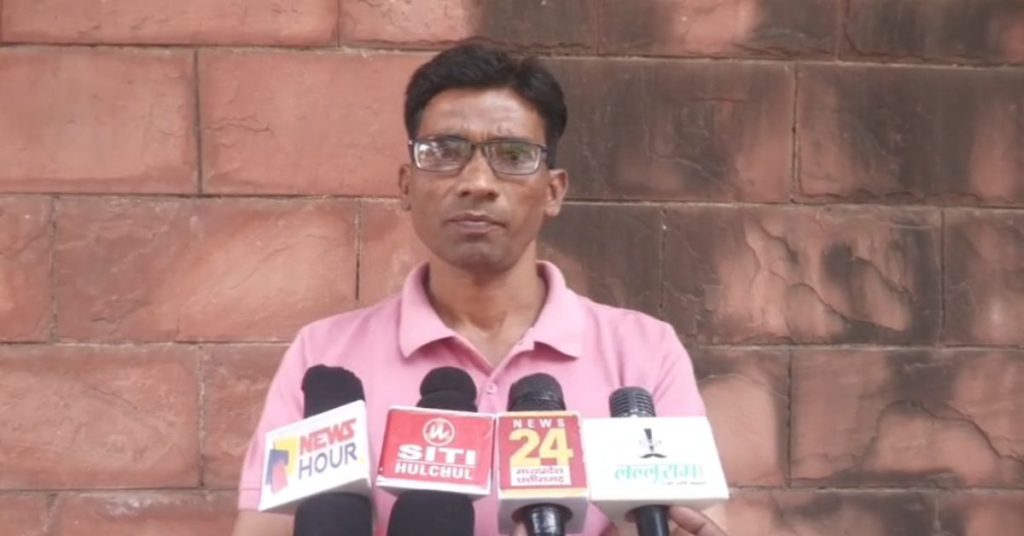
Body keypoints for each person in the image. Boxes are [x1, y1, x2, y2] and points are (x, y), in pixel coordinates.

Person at [231, 42, 728, 536]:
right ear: (406, 185)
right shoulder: (324, 358)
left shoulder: (643, 352)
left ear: (553, 190)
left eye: (512, 155)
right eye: (445, 152)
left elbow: (694, 522)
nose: (477, 182)